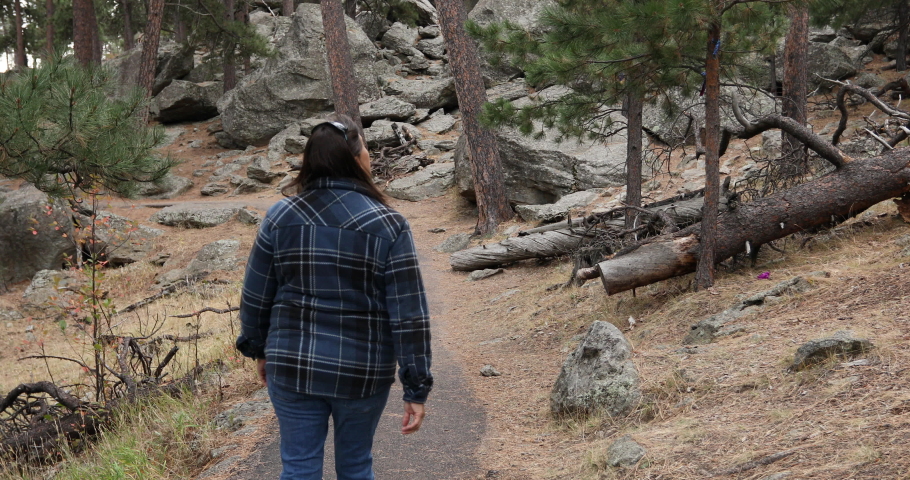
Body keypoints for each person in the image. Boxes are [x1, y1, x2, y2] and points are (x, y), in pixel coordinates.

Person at [235, 114, 433, 480]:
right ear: (356, 158)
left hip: (292, 365)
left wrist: (259, 348)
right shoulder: (388, 223)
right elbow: (409, 314)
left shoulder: (280, 217)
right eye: (368, 150)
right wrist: (415, 386)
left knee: (298, 467)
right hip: (362, 371)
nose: (370, 157)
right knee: (356, 466)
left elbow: (256, 294)